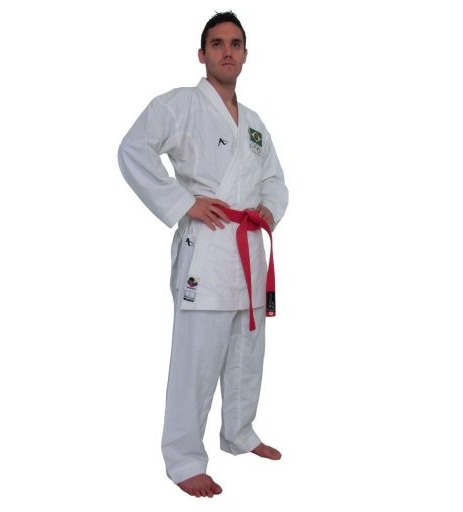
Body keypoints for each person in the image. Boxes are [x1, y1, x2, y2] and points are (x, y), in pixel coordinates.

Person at [117, 11, 288, 498]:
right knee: (196, 359)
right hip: (208, 249)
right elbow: (132, 150)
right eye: (217, 43)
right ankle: (184, 458)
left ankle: (239, 433)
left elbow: (275, 179)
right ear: (202, 54)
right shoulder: (180, 105)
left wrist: (268, 208)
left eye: (235, 43)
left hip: (247, 246)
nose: (227, 51)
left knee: (246, 351)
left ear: (246, 54)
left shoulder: (254, 125)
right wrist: (182, 202)